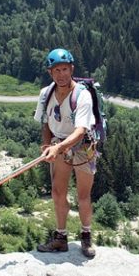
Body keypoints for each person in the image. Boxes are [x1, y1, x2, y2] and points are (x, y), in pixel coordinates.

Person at [33, 48, 97, 258]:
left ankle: (86, 236)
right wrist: (45, 146)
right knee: (58, 193)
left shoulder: (82, 96)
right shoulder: (46, 94)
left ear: (72, 69)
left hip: (81, 147)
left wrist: (57, 148)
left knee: (83, 195)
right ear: (50, 72)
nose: (61, 74)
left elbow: (80, 131)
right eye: (56, 70)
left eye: (65, 69)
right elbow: (46, 123)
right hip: (58, 145)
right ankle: (61, 238)